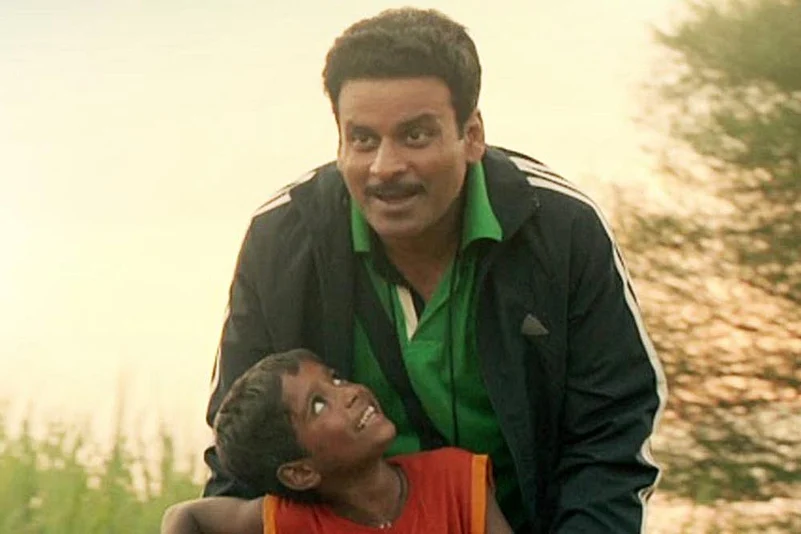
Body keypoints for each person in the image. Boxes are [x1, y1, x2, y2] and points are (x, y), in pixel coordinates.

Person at [202, 7, 667, 533]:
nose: (385, 167)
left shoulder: (562, 230)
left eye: (416, 135)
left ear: (472, 135)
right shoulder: (282, 242)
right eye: (363, 139)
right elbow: (242, 447)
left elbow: (611, 432)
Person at [163, 349, 512, 533]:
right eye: (318, 405)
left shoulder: (455, 480)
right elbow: (185, 517)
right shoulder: (289, 519)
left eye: (336, 380)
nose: (350, 393)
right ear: (300, 473)